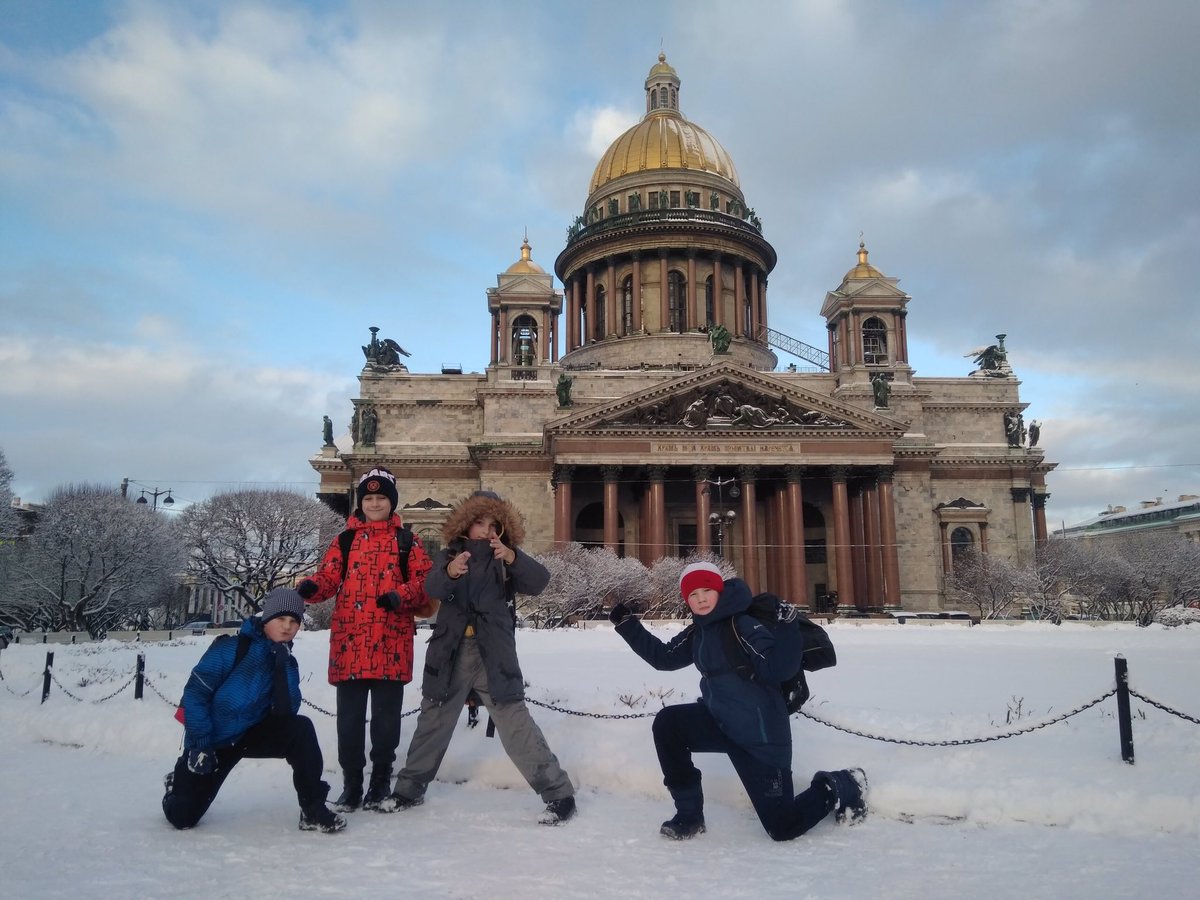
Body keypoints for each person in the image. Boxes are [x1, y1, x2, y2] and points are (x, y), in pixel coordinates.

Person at [609, 561, 867, 840]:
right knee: (668, 724)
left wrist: (787, 627)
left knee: (782, 827)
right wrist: (627, 625)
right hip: (720, 724)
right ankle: (689, 816)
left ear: (720, 590)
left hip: (760, 739)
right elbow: (664, 658)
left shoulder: (742, 625)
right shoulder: (700, 631)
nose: (701, 599)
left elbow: (777, 669)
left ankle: (841, 784)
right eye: (693, 595)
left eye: (707, 590)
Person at [378, 490, 577, 825]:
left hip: (493, 656)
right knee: (433, 724)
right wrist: (452, 572)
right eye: (479, 523)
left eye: (493, 524)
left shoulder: (507, 558)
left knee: (516, 725)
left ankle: (559, 795)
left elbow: (540, 582)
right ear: (465, 526)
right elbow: (433, 588)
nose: (486, 530)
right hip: (450, 653)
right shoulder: (449, 556)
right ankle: (408, 790)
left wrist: (512, 557)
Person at [296, 467, 435, 813]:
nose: (374, 503)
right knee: (350, 720)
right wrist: (313, 588)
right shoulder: (344, 540)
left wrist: (400, 595)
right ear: (361, 503)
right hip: (350, 641)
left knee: (387, 721)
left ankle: (380, 781)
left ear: (391, 503)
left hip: (391, 640)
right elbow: (329, 576)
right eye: (369, 498)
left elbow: (425, 582)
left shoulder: (408, 542)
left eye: (381, 498)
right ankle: (353, 783)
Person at [161, 588, 346, 834]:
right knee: (183, 818)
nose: (287, 627)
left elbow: (288, 712)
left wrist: (281, 669)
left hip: (252, 733)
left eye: (294, 621)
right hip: (214, 740)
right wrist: (200, 743)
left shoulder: (287, 661)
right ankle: (177, 782)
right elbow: (196, 694)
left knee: (301, 729)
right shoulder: (231, 648)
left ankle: (312, 809)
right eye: (281, 619)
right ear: (266, 619)